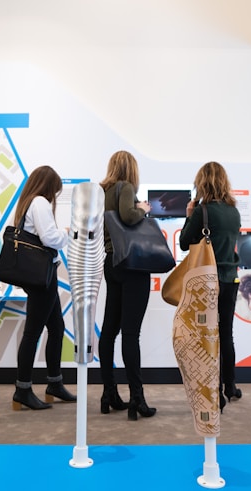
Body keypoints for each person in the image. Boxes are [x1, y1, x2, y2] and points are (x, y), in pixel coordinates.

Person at [11, 165, 76, 410]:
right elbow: (50, 238)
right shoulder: (39, 203)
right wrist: (67, 233)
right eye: (55, 191)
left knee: (56, 328)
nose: (54, 196)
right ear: (48, 186)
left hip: (40, 276)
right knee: (32, 334)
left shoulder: (29, 201)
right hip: (42, 278)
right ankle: (23, 389)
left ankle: (54, 383)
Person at [98, 150, 156, 420]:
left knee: (109, 330)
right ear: (131, 169)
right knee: (131, 334)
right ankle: (137, 399)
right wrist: (142, 209)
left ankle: (109, 393)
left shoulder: (103, 191)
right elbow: (129, 217)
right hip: (133, 265)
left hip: (112, 262)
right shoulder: (125, 187)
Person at [180, 161, 242, 411]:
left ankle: (215, 392)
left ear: (202, 182)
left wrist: (188, 217)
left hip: (208, 282)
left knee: (207, 337)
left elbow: (185, 243)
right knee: (226, 333)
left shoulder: (202, 212)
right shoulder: (233, 211)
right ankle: (231, 385)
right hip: (231, 278)